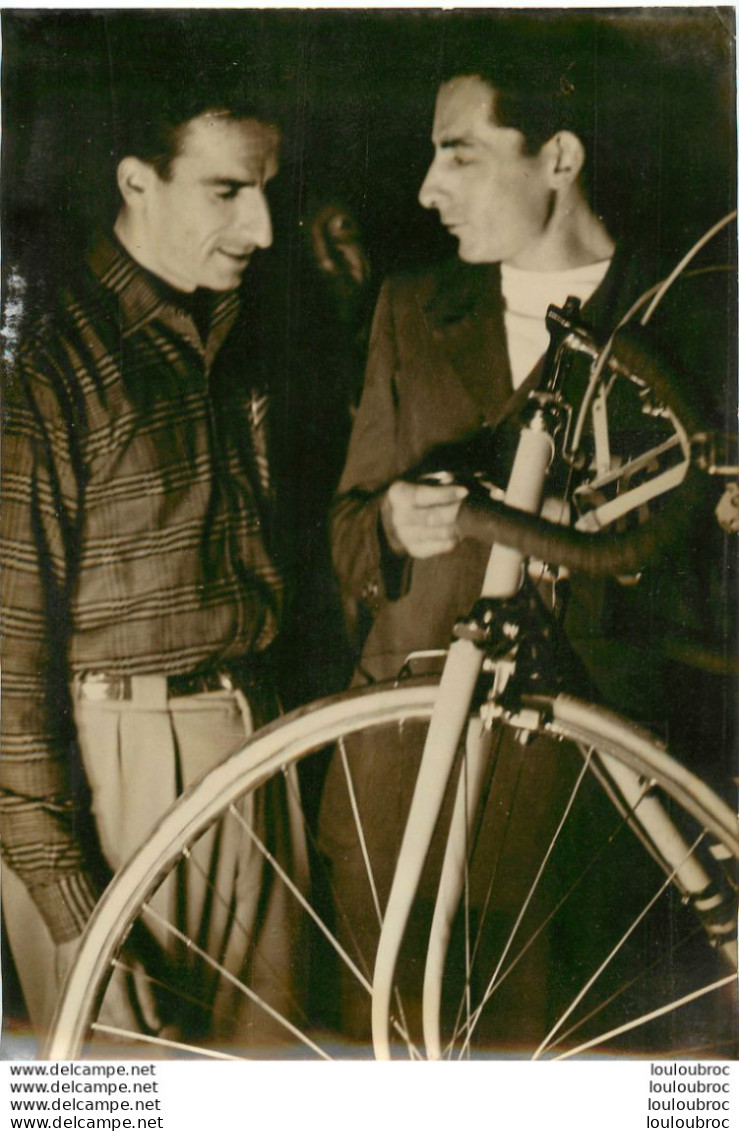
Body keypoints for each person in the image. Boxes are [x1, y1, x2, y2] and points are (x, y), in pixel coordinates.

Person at [319, 38, 736, 1044]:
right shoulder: (411, 311)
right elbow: (342, 535)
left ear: (557, 157)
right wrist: (389, 521)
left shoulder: (686, 318)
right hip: (405, 788)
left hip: (584, 802)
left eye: (458, 153)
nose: (426, 189)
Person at [1, 86, 308, 1052]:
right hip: (110, 775)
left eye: (265, 190)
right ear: (136, 182)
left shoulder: (237, 328)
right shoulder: (46, 369)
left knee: (272, 1088)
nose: (259, 225)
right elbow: (5, 664)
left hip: (252, 744)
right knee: (131, 1088)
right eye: (226, 192)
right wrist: (72, 902)